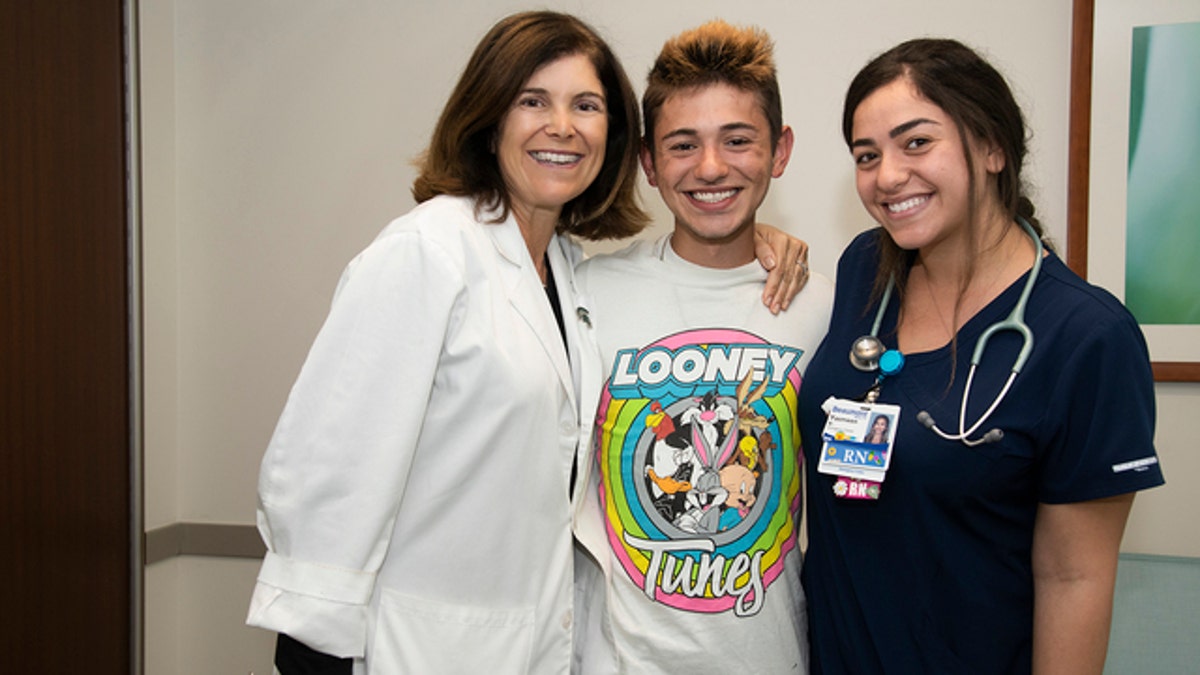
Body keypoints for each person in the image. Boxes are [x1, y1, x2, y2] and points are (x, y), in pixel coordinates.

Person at [246, 11, 807, 674]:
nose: (562, 126)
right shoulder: (428, 250)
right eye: (532, 100)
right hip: (414, 646)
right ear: (488, 119)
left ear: (615, 138)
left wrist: (760, 248)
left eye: (587, 104)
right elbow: (328, 472)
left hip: (537, 645)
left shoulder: (571, 277)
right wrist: (314, 649)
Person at [799, 38, 1164, 674]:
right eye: (867, 155)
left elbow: (1073, 578)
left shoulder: (1085, 338)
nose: (886, 177)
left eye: (916, 143)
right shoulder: (865, 269)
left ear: (993, 148)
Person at [573, 20, 833, 674]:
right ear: (649, 163)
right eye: (682, 145)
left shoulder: (824, 305)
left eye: (738, 140)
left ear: (780, 151)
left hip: (769, 653)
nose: (711, 167)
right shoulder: (588, 293)